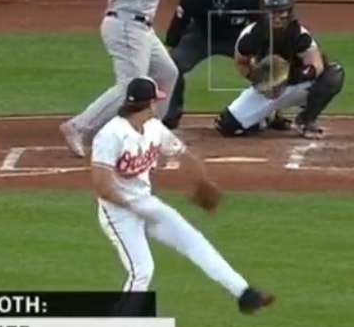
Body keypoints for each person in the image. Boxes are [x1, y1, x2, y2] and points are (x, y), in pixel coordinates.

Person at [90, 77, 276, 313]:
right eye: (155, 101)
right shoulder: (110, 135)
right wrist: (134, 206)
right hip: (118, 211)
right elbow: (103, 187)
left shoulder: (154, 128)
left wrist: (201, 180)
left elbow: (184, 155)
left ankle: (244, 293)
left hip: (146, 203)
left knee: (193, 240)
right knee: (142, 270)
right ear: (147, 104)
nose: (157, 105)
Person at [60, 0, 199, 157]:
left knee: (167, 72)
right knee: (129, 86)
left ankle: (152, 129)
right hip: (126, 27)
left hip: (139, 26)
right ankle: (78, 126)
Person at [213, 0, 347, 139]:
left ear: (289, 12)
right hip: (267, 88)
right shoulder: (251, 35)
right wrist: (260, 81)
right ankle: (266, 118)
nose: (276, 17)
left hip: (295, 83)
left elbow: (316, 66)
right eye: (272, 12)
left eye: (280, 12)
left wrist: (289, 78)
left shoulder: (299, 34)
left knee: (333, 75)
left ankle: (306, 120)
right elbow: (241, 63)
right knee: (227, 126)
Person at [159, 0, 263, 129]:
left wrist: (261, 51)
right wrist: (171, 45)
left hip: (236, 37)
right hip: (201, 35)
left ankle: (268, 112)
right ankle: (171, 111)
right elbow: (179, 21)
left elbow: (259, 24)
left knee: (266, 67)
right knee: (172, 65)